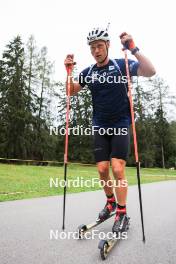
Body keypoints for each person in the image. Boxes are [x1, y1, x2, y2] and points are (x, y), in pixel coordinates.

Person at [64, 27, 156, 234]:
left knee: (117, 168)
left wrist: (133, 48)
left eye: (99, 46)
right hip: (99, 125)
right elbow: (70, 91)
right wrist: (68, 72)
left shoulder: (121, 65)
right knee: (102, 169)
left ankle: (122, 214)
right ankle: (110, 203)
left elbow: (150, 71)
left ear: (107, 46)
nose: (96, 50)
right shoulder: (89, 72)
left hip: (121, 123)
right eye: (92, 47)